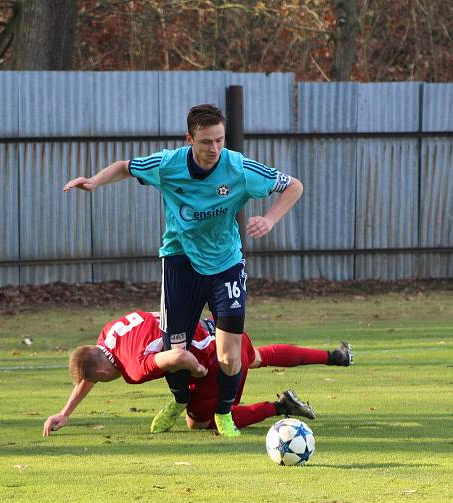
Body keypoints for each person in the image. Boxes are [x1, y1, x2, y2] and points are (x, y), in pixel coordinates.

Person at [62, 104, 303, 437]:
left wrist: (270, 219)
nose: (214, 149)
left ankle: (224, 414)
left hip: (226, 266)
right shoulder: (168, 164)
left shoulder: (240, 168)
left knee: (230, 356)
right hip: (180, 263)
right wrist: (94, 182)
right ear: (190, 139)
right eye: (206, 142)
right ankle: (177, 401)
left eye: (220, 140)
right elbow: (124, 167)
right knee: (174, 351)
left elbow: (294, 186)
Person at [42, 310, 353, 437]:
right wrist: (65, 412)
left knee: (203, 422)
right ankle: (335, 357)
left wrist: (198, 369)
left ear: (101, 369)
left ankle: (281, 406)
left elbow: (178, 355)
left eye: (99, 379)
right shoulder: (108, 334)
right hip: (220, 334)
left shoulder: (133, 368)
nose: (101, 382)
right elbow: (88, 372)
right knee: (257, 355)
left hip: (215, 361)